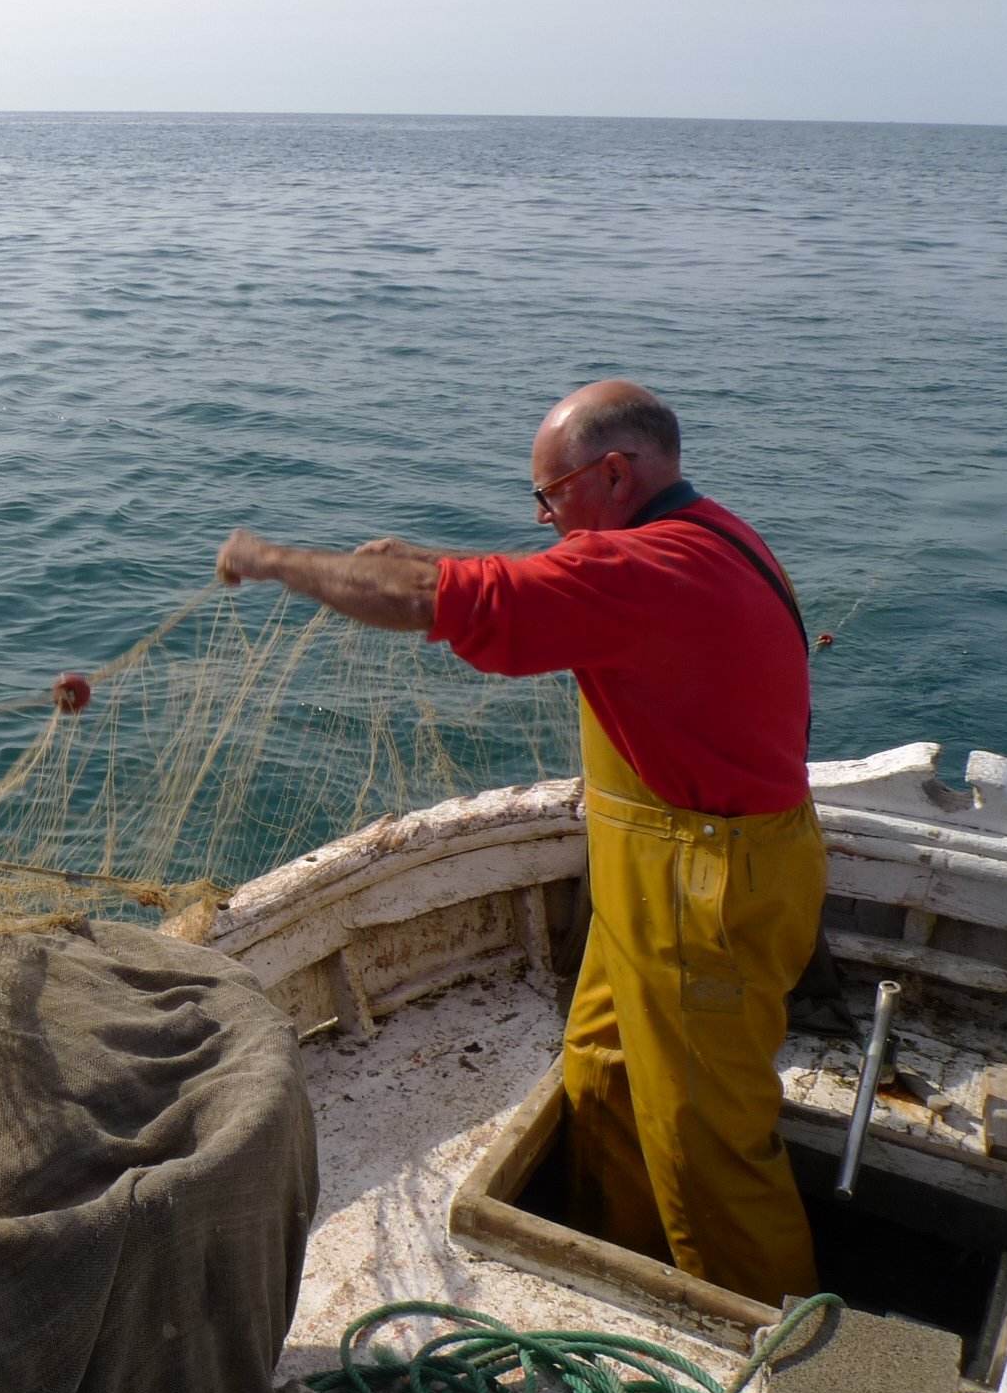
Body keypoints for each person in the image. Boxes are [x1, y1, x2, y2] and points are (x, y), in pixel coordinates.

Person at [214, 379, 821, 1304]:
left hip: (703, 892)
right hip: (665, 874)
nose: (544, 518)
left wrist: (273, 561)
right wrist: (432, 562)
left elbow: (465, 599)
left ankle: (773, 1345)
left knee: (707, 1145)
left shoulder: (646, 572)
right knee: (605, 1076)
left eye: (552, 495)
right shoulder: (705, 536)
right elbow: (546, 583)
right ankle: (633, 1266)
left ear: (613, 474)